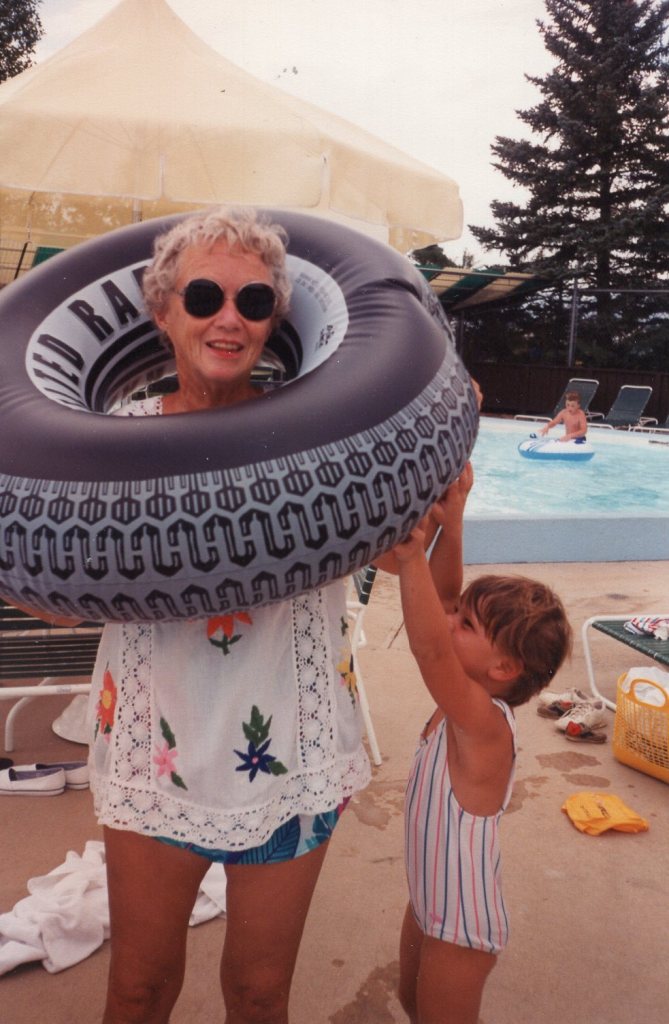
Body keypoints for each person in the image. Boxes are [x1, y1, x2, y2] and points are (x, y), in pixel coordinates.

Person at [27, 207, 371, 1023]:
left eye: (253, 303)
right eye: (205, 295)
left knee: (257, 993)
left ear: (275, 321)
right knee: (138, 988)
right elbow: (65, 602)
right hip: (156, 750)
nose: (229, 318)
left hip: (292, 747)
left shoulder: (327, 432)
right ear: (162, 311)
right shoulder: (104, 447)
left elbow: (391, 547)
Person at [378, 464, 572, 1024]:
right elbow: (440, 602)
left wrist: (411, 555)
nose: (448, 621)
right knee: (415, 1006)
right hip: (428, 904)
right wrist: (452, 520)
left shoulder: (483, 724)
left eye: (466, 624)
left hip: (461, 923)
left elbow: (431, 649)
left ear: (504, 667)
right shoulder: (462, 699)